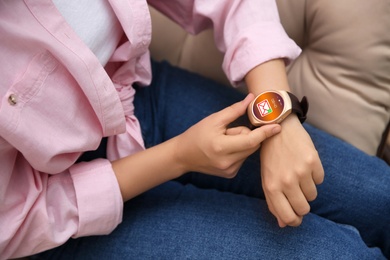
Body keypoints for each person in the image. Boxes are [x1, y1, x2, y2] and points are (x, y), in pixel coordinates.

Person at [0, 0, 389, 259]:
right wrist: (178, 157)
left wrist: (277, 114)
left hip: (135, 99)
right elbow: (15, 221)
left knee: (380, 198)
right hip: (60, 219)